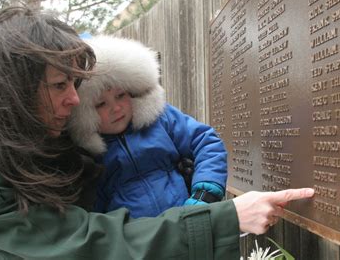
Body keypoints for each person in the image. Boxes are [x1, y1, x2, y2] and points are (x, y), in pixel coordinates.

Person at [0, 6, 314, 259]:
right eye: (60, 85)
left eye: (76, 84)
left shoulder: (26, 138)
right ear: (16, 88)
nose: (75, 100)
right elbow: (92, 244)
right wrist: (226, 218)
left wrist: (205, 190)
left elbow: (205, 141)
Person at [68, 36, 228, 218]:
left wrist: (204, 194)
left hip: (189, 219)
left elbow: (206, 142)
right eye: (101, 104)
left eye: (121, 95)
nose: (116, 108)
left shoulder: (161, 119)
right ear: (85, 114)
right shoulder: (90, 158)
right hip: (138, 240)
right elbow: (93, 211)